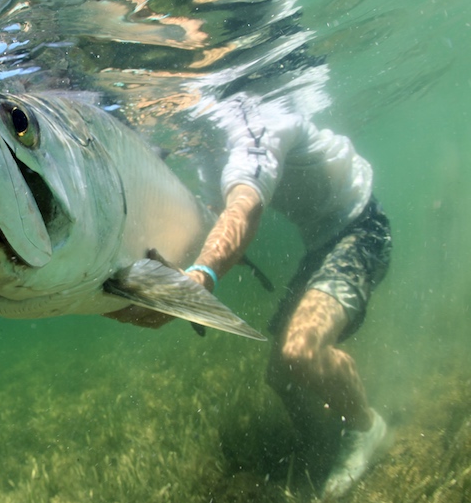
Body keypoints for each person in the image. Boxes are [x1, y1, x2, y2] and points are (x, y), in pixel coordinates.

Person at [119, 93, 393, 497]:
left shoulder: (256, 119)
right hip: (322, 242)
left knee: (301, 352)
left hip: (361, 229)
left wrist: (203, 275)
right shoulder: (208, 142)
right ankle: (322, 438)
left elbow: (243, 210)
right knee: (282, 376)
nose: (164, 112)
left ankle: (367, 428)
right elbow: (216, 213)